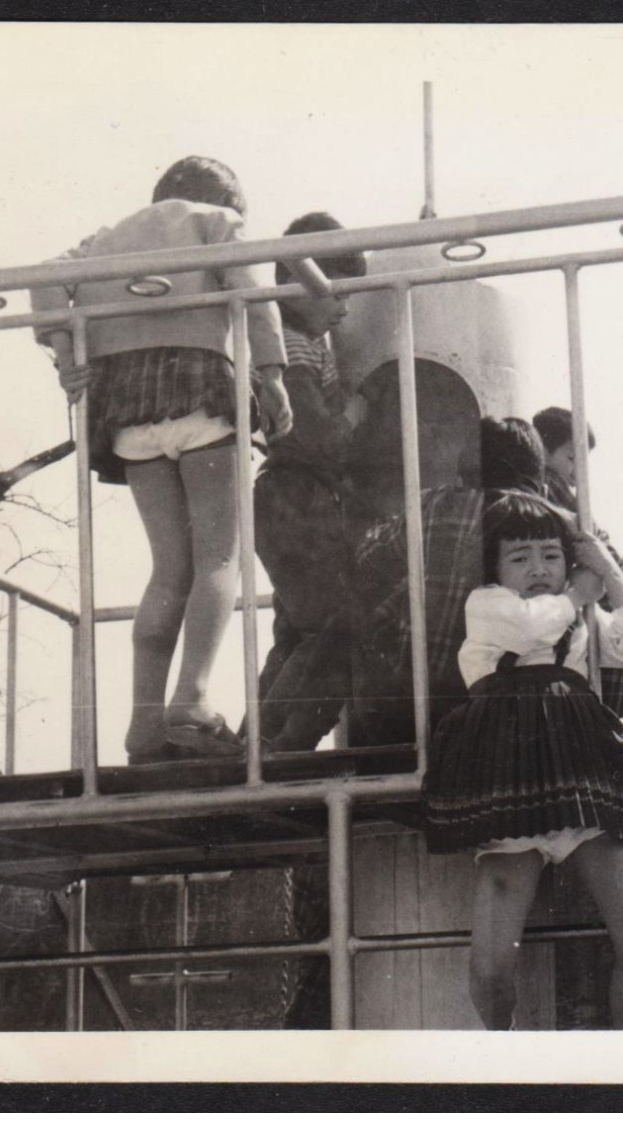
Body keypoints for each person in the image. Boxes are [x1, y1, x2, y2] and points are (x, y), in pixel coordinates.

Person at [31, 155, 292, 764]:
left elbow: (44, 275)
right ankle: (192, 699)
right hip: (199, 388)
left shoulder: (107, 238)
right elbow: (253, 288)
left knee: (167, 569)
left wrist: (66, 348)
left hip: (126, 409)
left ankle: (144, 724)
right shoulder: (218, 221)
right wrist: (273, 375)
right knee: (219, 557)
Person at [423, 492, 623, 1029]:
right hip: (510, 784)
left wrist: (612, 581)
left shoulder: (578, 618)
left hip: (577, 778)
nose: (537, 569)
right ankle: (506, 1060)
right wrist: (580, 588)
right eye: (520, 557)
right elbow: (533, 626)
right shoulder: (488, 605)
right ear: (495, 567)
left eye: (551, 556)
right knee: (491, 968)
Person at [348, 416, 552, 745]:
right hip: (511, 717)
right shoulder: (549, 519)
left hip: (416, 713)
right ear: (538, 484)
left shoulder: (434, 503)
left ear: (463, 476)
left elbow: (369, 557)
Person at [251, 212, 370, 753]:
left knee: (302, 630)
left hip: (291, 497)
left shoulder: (299, 341)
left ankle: (255, 742)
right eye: (337, 293)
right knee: (342, 628)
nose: (345, 307)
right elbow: (313, 435)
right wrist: (355, 415)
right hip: (297, 494)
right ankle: (287, 744)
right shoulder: (292, 345)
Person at [532, 406, 623, 718]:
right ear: (542, 452)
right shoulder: (551, 487)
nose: (578, 471)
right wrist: (613, 559)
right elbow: (592, 539)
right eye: (571, 458)